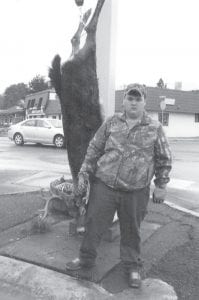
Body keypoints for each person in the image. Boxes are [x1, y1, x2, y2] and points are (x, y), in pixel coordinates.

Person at [66, 83, 172, 288]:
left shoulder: (154, 128)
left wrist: (161, 184)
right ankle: (86, 259)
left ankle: (132, 267)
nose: (133, 102)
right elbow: (94, 147)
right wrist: (84, 171)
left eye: (137, 99)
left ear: (144, 102)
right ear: (123, 101)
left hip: (136, 191)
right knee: (93, 224)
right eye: (130, 99)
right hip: (104, 187)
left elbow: (164, 158)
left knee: (132, 230)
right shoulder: (111, 122)